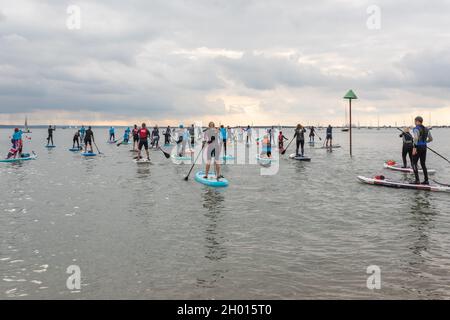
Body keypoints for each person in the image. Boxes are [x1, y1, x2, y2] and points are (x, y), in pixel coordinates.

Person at [411, 116, 433, 185]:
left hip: (418, 148)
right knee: (423, 164)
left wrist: (414, 148)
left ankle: (417, 180)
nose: (414, 123)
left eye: (415, 121)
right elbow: (431, 139)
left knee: (413, 163)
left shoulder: (416, 129)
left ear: (417, 121)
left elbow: (416, 139)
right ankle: (426, 180)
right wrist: (424, 142)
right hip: (424, 147)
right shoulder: (427, 129)